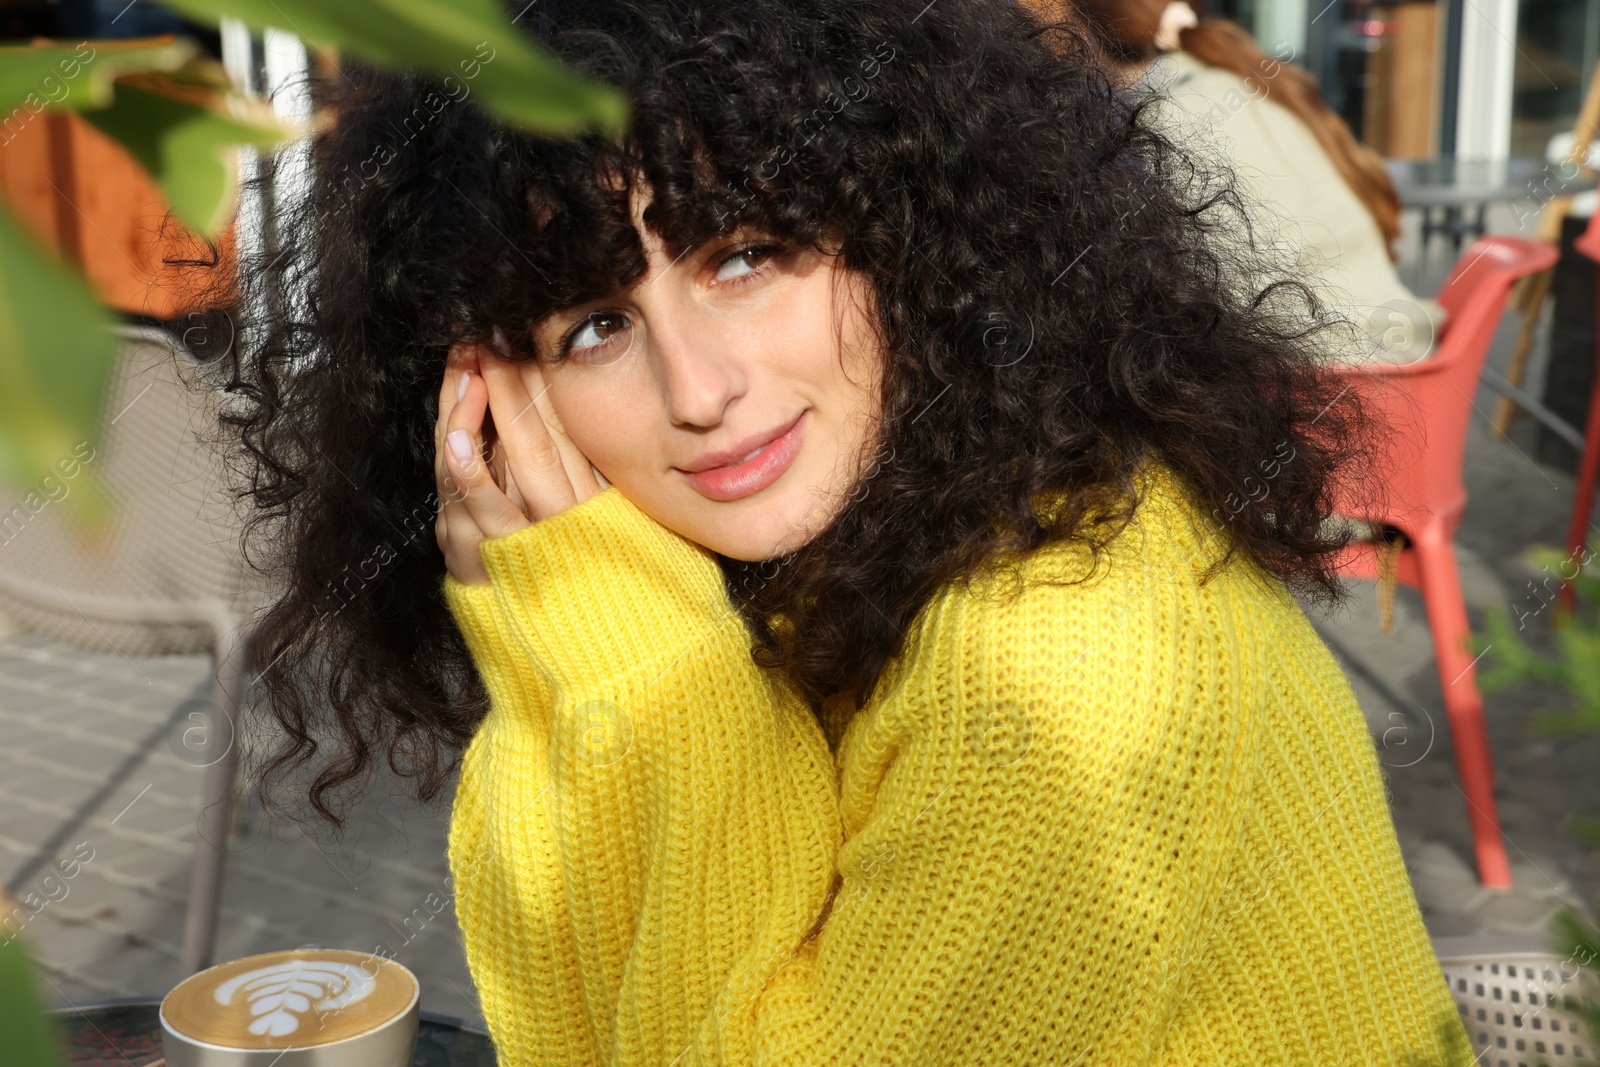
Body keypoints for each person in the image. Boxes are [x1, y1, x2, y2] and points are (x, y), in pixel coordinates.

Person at [204, 0, 1477, 1062]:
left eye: (743, 254)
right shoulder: (812, 566)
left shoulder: (1063, 652)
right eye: (593, 322)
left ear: (909, 231)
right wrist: (565, 658)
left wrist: (641, 669)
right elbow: (579, 1018)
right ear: (494, 399)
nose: (698, 391)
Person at [1052, 0, 1445, 363]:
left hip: (1338, 379)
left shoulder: (1161, 121)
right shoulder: (1233, 84)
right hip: (1401, 348)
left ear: (1082, 36)